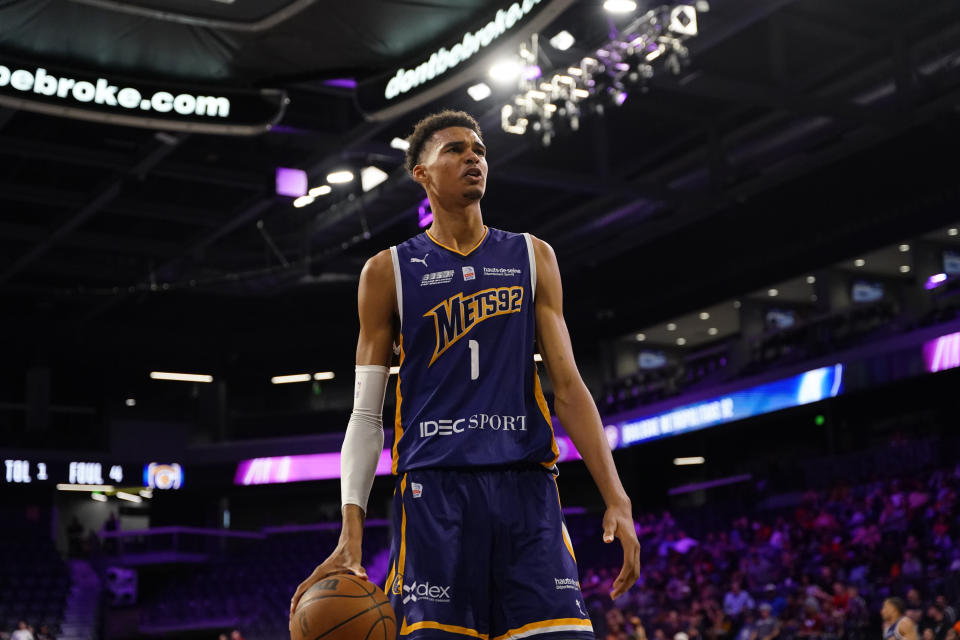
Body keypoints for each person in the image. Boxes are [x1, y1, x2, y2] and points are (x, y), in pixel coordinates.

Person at [289, 110, 641, 639]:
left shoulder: (532, 256)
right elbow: (366, 415)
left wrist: (617, 495)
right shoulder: (387, 272)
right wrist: (351, 528)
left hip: (527, 491)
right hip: (435, 495)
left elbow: (567, 387)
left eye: (478, 149)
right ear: (422, 174)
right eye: (454, 150)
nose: (473, 157)